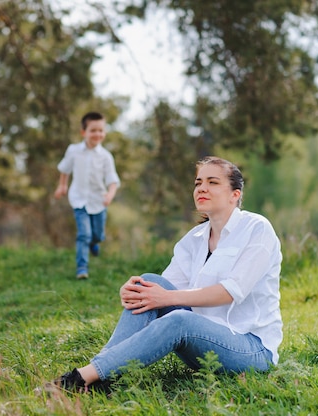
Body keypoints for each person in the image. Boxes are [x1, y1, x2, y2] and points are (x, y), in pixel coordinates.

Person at [46, 156, 283, 393]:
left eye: (213, 182)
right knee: (148, 283)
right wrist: (133, 292)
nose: (202, 188)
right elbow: (161, 292)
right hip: (202, 343)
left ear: (235, 194)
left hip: (251, 348)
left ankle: (79, 379)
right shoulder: (194, 239)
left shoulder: (257, 229)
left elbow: (230, 292)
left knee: (179, 319)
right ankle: (103, 378)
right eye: (198, 182)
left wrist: (165, 298)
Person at [54, 111, 120, 280]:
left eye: (101, 130)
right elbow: (64, 169)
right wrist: (62, 186)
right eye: (93, 130)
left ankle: (94, 243)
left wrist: (110, 195)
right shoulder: (74, 151)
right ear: (84, 132)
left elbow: (112, 180)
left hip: (99, 201)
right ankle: (81, 268)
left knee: (97, 235)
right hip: (79, 200)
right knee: (84, 234)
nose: (97, 134)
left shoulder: (106, 156)